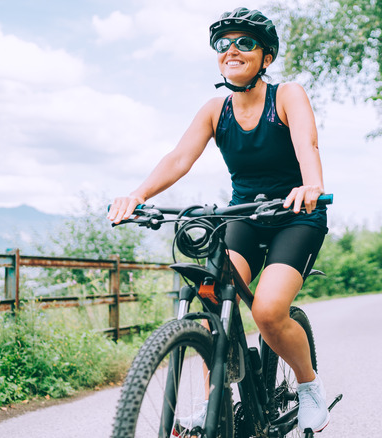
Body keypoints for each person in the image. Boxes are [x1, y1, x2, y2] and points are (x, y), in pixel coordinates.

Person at [106, 7, 331, 434]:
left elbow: (308, 145)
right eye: (223, 43)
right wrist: (138, 195)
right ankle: (218, 400)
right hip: (243, 214)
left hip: (295, 216)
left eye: (245, 42)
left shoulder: (287, 95)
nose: (232, 50)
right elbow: (178, 158)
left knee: (266, 310)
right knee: (214, 298)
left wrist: (311, 185)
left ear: (266, 57)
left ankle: (308, 386)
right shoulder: (215, 109)